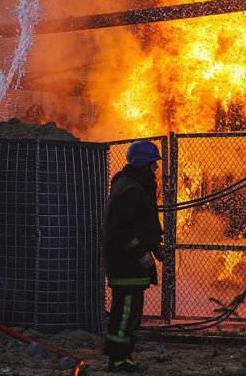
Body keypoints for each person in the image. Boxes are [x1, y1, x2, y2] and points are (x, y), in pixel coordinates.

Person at [103, 140, 164, 373]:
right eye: (153, 164)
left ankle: (125, 356)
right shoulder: (131, 189)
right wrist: (139, 251)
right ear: (143, 163)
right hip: (126, 264)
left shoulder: (137, 185)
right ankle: (117, 360)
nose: (156, 169)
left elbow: (143, 223)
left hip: (131, 265)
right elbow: (121, 229)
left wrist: (155, 247)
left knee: (131, 314)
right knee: (125, 313)